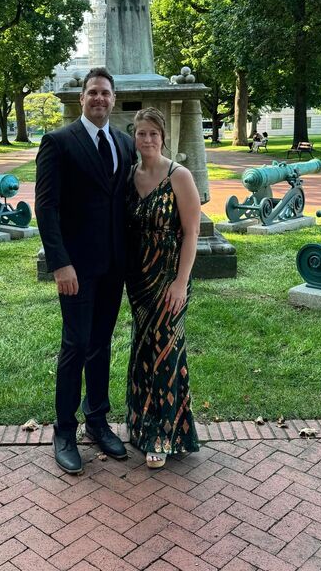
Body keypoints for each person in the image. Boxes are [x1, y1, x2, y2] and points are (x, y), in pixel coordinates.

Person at [35, 67, 136, 474]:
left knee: (101, 343)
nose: (99, 99)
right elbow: (46, 207)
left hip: (114, 266)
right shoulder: (58, 142)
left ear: (113, 99)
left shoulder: (125, 143)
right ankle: (63, 430)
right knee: (75, 345)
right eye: (92, 92)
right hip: (75, 269)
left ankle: (96, 420)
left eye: (105, 93)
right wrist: (60, 263)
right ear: (82, 98)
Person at [126, 107, 200, 468]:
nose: (148, 140)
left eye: (154, 134)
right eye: (142, 133)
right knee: (142, 352)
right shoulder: (130, 176)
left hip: (170, 279)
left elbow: (192, 233)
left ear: (163, 137)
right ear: (134, 137)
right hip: (137, 281)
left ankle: (165, 435)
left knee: (166, 355)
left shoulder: (179, 176)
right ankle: (141, 427)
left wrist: (181, 282)